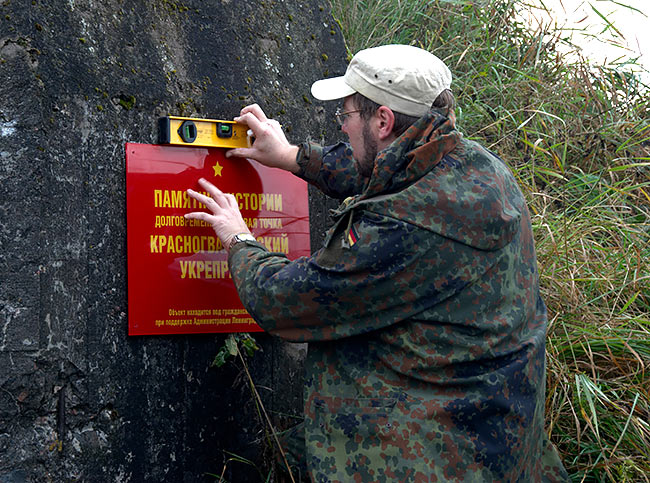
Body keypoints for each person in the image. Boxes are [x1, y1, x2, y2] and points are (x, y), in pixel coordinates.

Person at [185, 44, 568, 482]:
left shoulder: (405, 227)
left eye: (345, 116)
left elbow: (283, 302)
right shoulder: (477, 167)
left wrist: (237, 236)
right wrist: (292, 156)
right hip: (498, 431)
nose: (343, 128)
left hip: (440, 454)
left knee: (291, 457)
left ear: (383, 120)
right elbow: (382, 169)